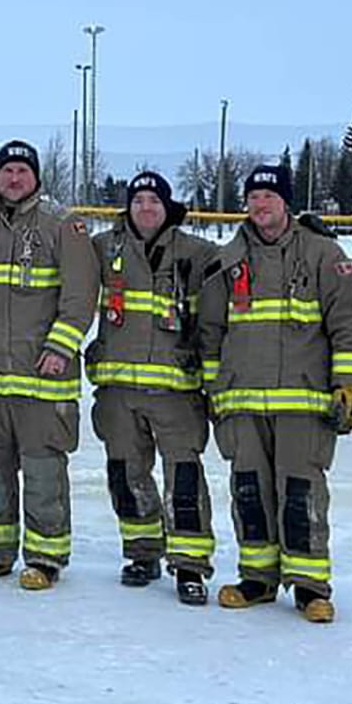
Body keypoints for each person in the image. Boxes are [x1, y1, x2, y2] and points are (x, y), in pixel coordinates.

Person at [196, 163, 352, 623]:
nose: (260, 204)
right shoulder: (228, 259)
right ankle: (258, 579)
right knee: (249, 491)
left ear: (286, 202)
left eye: (269, 197)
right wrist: (215, 388)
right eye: (253, 197)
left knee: (301, 493)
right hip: (243, 403)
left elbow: (349, 326)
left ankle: (311, 587)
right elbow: (210, 331)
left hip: (303, 402)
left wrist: (347, 385)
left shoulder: (323, 254)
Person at [0, 140, 100, 591]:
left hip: (42, 380)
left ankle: (45, 557)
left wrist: (60, 348)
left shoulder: (63, 227)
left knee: (42, 474)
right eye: (7, 171)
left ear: (35, 177)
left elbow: (79, 299)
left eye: (22, 171)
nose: (14, 179)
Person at [86, 170, 221, 606]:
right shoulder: (104, 248)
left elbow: (244, 263)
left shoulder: (197, 253)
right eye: (138, 200)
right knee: (126, 475)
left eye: (154, 201)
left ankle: (190, 563)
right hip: (118, 390)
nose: (146, 208)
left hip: (176, 391)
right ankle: (142, 552)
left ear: (168, 207)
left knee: (183, 478)